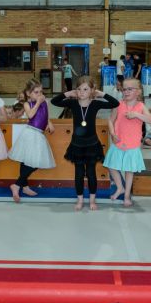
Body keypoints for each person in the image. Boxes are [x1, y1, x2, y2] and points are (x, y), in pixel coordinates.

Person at [52, 76, 119, 211]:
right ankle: (80, 199)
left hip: (92, 145)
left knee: (91, 173)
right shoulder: (72, 103)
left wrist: (101, 94)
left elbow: (115, 103)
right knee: (78, 173)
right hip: (77, 145)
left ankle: (92, 200)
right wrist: (68, 94)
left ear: (92, 90)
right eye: (79, 89)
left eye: (85, 89)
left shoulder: (95, 103)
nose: (82, 92)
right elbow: (55, 101)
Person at [103, 78, 151, 207]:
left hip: (132, 144)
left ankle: (126, 195)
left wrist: (137, 115)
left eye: (130, 89)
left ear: (138, 92)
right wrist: (113, 133)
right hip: (118, 141)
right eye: (124, 89)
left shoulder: (141, 106)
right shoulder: (118, 105)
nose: (126, 91)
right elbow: (110, 120)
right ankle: (120, 187)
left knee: (129, 170)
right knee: (111, 165)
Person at [8, 78, 55, 202]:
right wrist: (38, 103)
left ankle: (22, 185)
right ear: (29, 93)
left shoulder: (44, 102)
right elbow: (30, 115)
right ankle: (19, 185)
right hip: (30, 133)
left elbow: (45, 114)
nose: (39, 95)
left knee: (32, 163)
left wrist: (49, 122)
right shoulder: (27, 104)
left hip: (39, 134)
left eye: (40, 92)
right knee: (29, 162)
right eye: (36, 92)